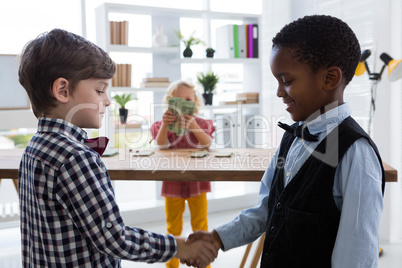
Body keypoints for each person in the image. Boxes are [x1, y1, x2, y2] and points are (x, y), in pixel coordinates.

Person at [185, 15, 385, 268]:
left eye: (287, 81)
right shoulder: (292, 136)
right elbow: (268, 209)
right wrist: (217, 238)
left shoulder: (356, 152)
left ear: (330, 79)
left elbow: (356, 254)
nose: (279, 92)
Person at [17, 28, 217, 268]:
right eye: (100, 90)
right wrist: (180, 247)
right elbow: (114, 238)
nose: (108, 100)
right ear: (63, 90)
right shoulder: (76, 158)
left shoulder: (34, 148)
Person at [150, 80, 215, 268]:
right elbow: (161, 145)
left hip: (197, 182)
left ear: (195, 102)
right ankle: (172, 265)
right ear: (170, 103)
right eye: (178, 99)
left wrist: (193, 124)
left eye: (188, 99)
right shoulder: (163, 125)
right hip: (173, 181)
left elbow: (207, 143)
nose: (183, 102)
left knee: (200, 225)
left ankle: (203, 263)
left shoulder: (202, 123)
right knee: (173, 226)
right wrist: (164, 124)